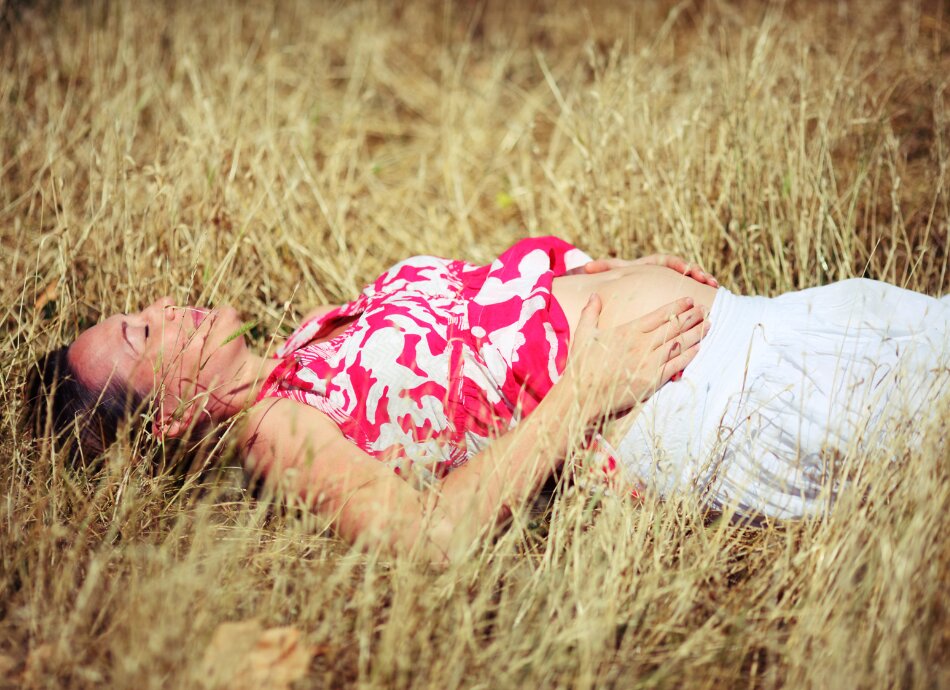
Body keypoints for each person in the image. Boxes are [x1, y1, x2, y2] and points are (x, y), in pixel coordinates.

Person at [25, 236, 949, 562]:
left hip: (758, 332)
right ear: (176, 417)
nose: (158, 311)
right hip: (720, 400)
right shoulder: (277, 434)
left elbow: (486, 313)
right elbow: (435, 540)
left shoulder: (307, 345)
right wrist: (584, 390)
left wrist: (609, 269)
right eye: (140, 337)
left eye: (138, 312)